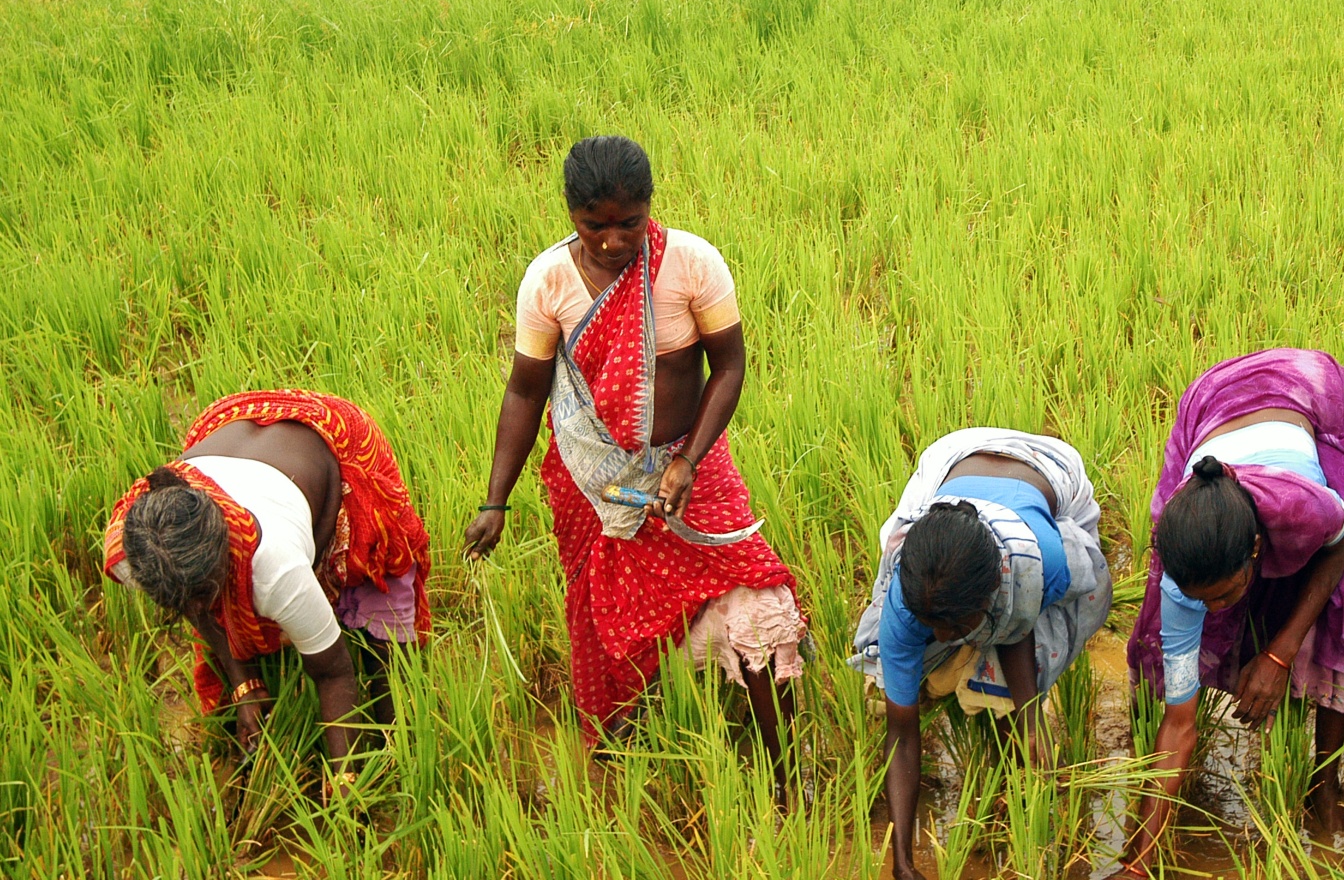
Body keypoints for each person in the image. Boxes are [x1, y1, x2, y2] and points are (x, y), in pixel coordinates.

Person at [464, 135, 805, 778]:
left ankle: (783, 772)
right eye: (596, 226)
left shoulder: (691, 264)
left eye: (629, 223)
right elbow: (524, 391)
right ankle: (628, 749)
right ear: (571, 213)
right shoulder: (550, 281)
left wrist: (690, 460)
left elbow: (728, 367)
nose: (615, 241)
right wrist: (495, 500)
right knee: (610, 621)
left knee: (759, 601)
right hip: (595, 484)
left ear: (650, 208)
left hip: (688, 466)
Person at [1121, 349, 1344, 869]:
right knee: (1180, 631)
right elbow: (1178, 724)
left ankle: (1325, 783)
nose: (1213, 607)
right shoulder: (1178, 569)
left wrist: (1280, 653)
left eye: (1223, 593)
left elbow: (1339, 544)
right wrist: (1143, 858)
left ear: (1257, 550)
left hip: (1307, 388)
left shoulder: (1302, 508)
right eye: (1202, 599)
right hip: (1211, 402)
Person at [102, 390, 431, 799]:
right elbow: (199, 608)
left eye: (207, 592)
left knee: (384, 634)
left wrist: (346, 782)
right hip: (229, 429)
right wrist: (245, 685)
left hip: (336, 445)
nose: (201, 609)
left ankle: (397, 749)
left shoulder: (274, 566)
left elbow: (333, 671)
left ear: (227, 554)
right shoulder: (137, 548)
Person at [848, 429, 1112, 880]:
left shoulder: (1040, 563)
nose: (944, 634)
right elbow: (901, 736)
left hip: (1050, 470)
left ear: (993, 590)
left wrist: (1029, 719)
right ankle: (934, 683)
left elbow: (1017, 629)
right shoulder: (905, 595)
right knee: (909, 662)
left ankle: (1013, 742)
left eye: (955, 625)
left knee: (1033, 641)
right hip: (952, 459)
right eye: (932, 624)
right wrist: (902, 861)